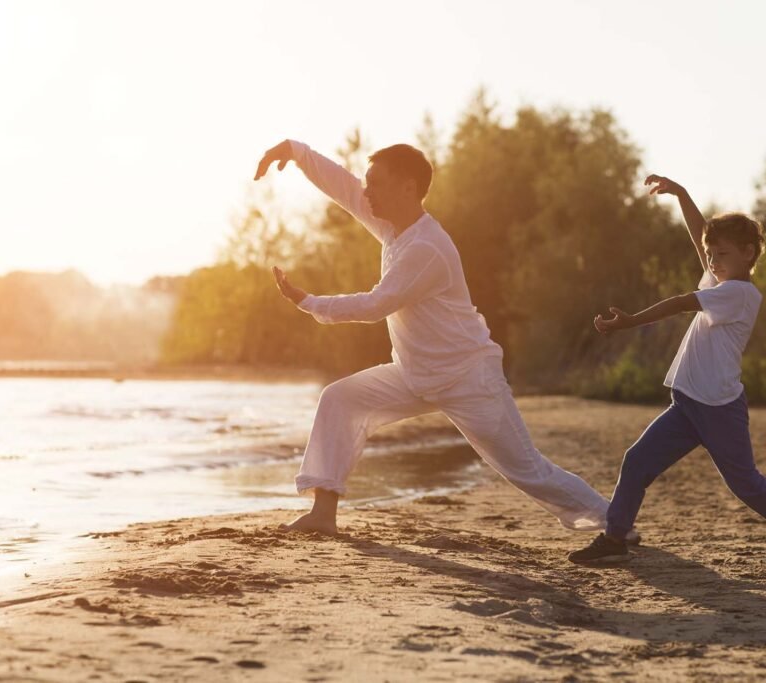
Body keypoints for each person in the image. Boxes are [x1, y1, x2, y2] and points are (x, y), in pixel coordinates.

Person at [254, 138, 611, 536]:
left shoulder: (427, 247)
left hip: (468, 377)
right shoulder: (391, 226)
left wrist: (309, 301)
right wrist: (296, 152)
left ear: (408, 187)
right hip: (414, 373)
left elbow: (377, 305)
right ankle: (323, 514)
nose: (366, 190)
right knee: (339, 399)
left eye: (376, 183)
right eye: (368, 182)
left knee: (529, 470)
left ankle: (615, 520)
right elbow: (344, 187)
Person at [568, 174, 766, 565]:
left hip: (716, 407)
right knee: (637, 462)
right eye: (711, 254)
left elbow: (682, 302)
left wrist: (629, 322)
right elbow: (702, 235)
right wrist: (682, 194)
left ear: (749, 253)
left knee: (746, 484)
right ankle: (614, 540)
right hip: (687, 405)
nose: (712, 260)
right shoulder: (720, 279)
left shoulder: (738, 294)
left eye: (722, 254)